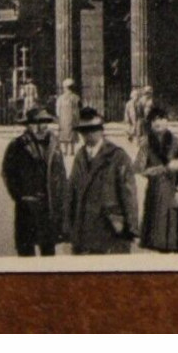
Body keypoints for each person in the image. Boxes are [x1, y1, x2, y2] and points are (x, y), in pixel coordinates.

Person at [67, 107, 139, 254]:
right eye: (83, 131)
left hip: (110, 228)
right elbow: (71, 191)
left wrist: (131, 227)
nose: (88, 135)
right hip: (83, 228)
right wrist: (68, 225)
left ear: (101, 131)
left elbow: (129, 194)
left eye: (92, 130)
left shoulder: (118, 156)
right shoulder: (80, 156)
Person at [0, 105, 68, 257]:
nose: (39, 127)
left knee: (48, 250)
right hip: (27, 207)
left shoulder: (54, 144)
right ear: (28, 125)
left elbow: (61, 173)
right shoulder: (17, 145)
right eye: (35, 123)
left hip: (48, 206)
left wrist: (60, 198)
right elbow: (7, 173)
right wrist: (20, 196)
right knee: (26, 250)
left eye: (43, 122)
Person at [137, 105, 178, 254]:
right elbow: (138, 168)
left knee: (176, 237)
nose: (158, 123)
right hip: (155, 192)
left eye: (162, 119)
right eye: (154, 120)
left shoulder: (177, 143)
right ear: (150, 124)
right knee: (158, 238)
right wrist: (164, 169)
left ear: (167, 121)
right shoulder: (146, 144)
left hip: (173, 188)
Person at [54, 78, 81, 158]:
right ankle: (71, 150)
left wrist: (58, 116)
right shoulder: (76, 97)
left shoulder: (61, 98)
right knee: (72, 132)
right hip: (72, 117)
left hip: (63, 117)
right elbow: (78, 108)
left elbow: (57, 109)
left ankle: (65, 150)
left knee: (64, 133)